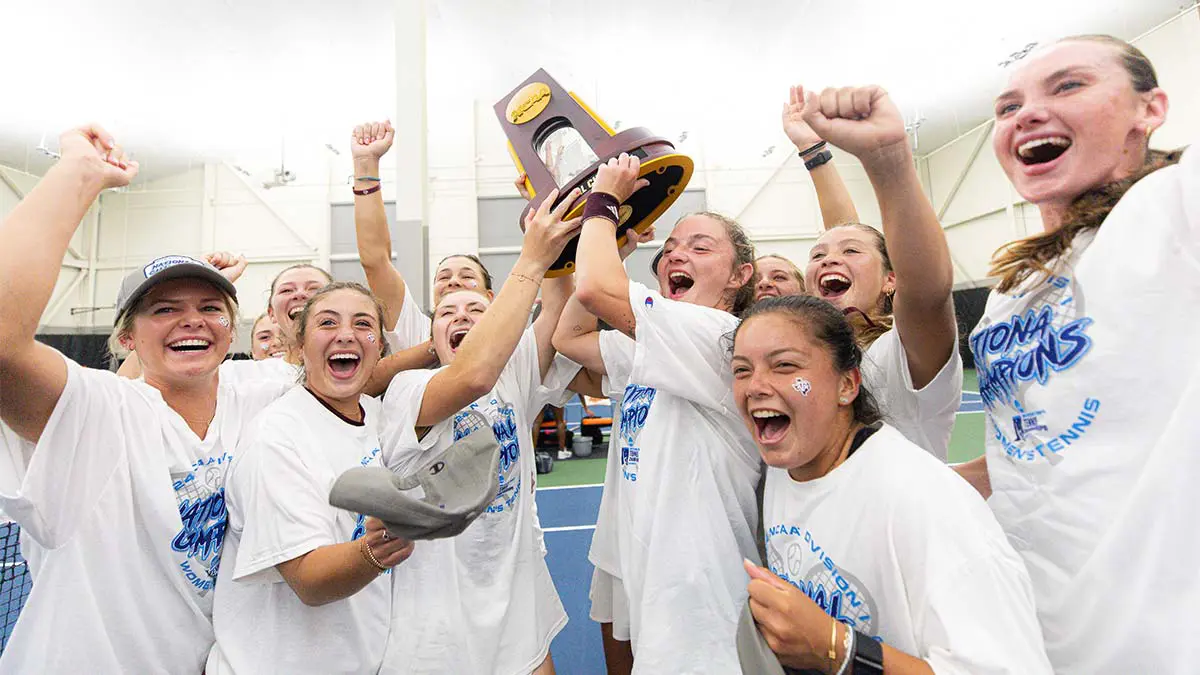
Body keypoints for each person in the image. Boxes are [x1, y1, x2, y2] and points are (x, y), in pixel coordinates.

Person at [0, 125, 290, 674]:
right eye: (164, 309)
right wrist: (77, 177)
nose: (191, 320)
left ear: (233, 331)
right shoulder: (100, 412)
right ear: (127, 339)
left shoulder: (263, 391)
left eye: (210, 308)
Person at [952, 35, 1196, 673]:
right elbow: (1033, 442)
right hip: (1032, 620)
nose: (1026, 114)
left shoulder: (1172, 209)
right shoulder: (1013, 290)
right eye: (1008, 107)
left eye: (1068, 86)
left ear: (1150, 109)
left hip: (1156, 631)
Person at [732, 295, 1052, 674]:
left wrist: (838, 647)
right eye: (741, 370)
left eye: (784, 365)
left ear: (847, 385)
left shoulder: (925, 504)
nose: (755, 386)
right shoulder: (786, 471)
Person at [552, 155, 760, 673]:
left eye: (698, 247)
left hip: (697, 578)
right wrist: (616, 246)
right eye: (668, 249)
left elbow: (596, 290)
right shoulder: (661, 340)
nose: (675, 255)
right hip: (643, 552)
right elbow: (568, 336)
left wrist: (602, 204)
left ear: (741, 275)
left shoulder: (720, 337)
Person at [378, 188, 585, 675]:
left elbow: (557, 308)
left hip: (512, 586)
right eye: (448, 312)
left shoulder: (514, 371)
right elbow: (472, 377)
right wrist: (530, 260)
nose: (462, 316)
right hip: (435, 617)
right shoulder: (410, 388)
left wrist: (562, 227)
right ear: (431, 338)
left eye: (475, 311)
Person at [208, 282, 415, 674]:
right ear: (299, 348)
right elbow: (309, 579)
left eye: (363, 323)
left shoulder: (376, 417)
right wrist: (377, 550)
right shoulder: (276, 438)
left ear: (380, 347)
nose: (346, 334)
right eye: (327, 322)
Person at [784, 84, 962, 459]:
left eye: (851, 253)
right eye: (817, 256)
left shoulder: (901, 355)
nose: (829, 260)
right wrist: (811, 151)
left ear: (891, 279)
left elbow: (928, 292)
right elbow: (844, 234)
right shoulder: (816, 355)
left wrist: (887, 159)